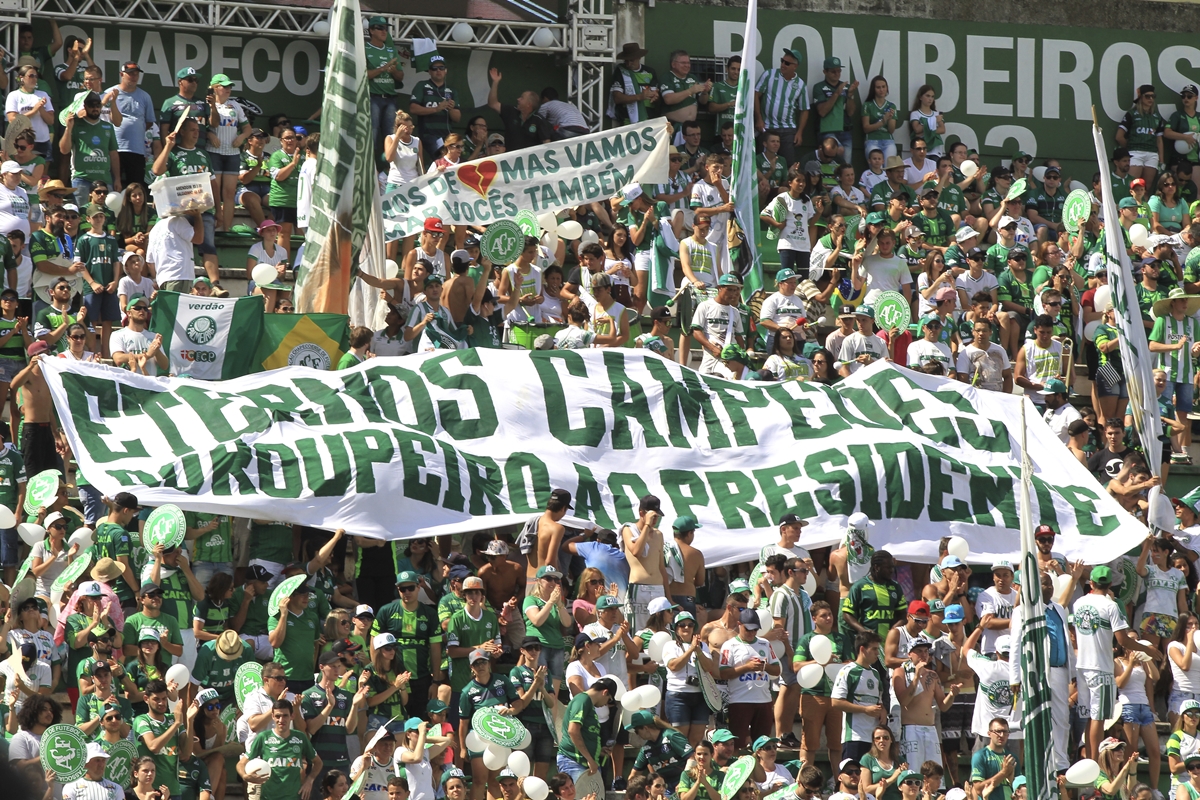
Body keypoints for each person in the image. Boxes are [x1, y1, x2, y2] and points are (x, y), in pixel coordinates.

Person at [1075, 564, 1162, 758]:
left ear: (1091, 582)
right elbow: (1122, 639)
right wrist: (1146, 649)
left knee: (1088, 716)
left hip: (1082, 665)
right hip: (1102, 667)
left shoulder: (1079, 602)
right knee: (1098, 717)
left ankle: (1089, 759)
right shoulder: (1110, 606)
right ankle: (1095, 762)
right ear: (1111, 584)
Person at [718, 608, 780, 747]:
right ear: (739, 624)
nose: (752, 633)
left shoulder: (764, 643)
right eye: (748, 629)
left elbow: (777, 670)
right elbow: (724, 673)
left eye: (755, 630)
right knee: (738, 744)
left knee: (763, 745)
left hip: (764, 700)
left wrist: (764, 666)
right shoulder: (730, 645)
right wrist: (747, 667)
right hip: (740, 700)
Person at [240, 699, 322, 800]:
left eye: (285, 715)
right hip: (268, 797)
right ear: (273, 717)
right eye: (278, 716)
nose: (281, 720)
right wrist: (244, 776)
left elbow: (318, 762)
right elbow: (241, 763)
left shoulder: (300, 738)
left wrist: (310, 780)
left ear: (292, 716)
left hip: (293, 797)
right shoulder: (263, 737)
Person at [134, 679, 197, 800]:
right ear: (146, 699)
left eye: (164, 699)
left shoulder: (173, 719)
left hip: (173, 789)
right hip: (150, 790)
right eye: (156, 699)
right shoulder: (142, 720)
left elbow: (187, 752)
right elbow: (153, 747)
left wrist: (189, 720)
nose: (162, 703)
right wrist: (177, 724)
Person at [60, 91, 120, 207]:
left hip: (104, 178)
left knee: (105, 215)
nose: (95, 108)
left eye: (98, 105)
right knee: (82, 214)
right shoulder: (75, 124)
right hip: (82, 178)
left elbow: (113, 154)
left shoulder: (108, 127)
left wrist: (117, 179)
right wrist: (68, 128)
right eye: (91, 105)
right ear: (85, 106)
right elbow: (64, 150)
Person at [556, 676, 616, 780]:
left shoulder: (588, 704)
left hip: (581, 762)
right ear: (605, 692)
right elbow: (573, 731)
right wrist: (590, 759)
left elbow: (584, 734)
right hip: (573, 761)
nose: (606, 704)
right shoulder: (583, 700)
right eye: (609, 699)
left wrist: (598, 751)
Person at [755, 48, 808, 166]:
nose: (783, 64)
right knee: (762, 163)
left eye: (787, 63)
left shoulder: (800, 84)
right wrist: (758, 118)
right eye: (782, 61)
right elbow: (756, 94)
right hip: (767, 127)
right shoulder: (769, 74)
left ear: (795, 66)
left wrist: (799, 132)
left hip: (788, 130)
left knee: (788, 164)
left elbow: (804, 110)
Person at [365, 17, 403, 167]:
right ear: (372, 31)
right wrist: (382, 69)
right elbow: (363, 75)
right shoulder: (365, 48)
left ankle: (389, 169)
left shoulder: (391, 50)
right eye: (380, 28)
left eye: (385, 28)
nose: (384, 31)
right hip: (373, 97)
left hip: (390, 98)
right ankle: (370, 168)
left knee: (391, 135)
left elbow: (401, 76)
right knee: (372, 135)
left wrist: (393, 71)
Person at [485, 69, 551, 151]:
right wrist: (495, 82)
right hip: (509, 160)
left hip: (529, 162)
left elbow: (547, 143)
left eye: (522, 98)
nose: (518, 99)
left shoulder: (539, 120)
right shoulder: (511, 111)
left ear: (528, 104)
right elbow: (492, 103)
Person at [409, 54, 460, 159]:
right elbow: (413, 108)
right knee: (442, 156)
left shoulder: (452, 90)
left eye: (441, 68)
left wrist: (450, 109)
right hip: (429, 134)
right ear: (429, 71)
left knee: (456, 157)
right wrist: (436, 109)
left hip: (447, 135)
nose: (438, 71)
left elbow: (457, 118)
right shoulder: (422, 86)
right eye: (434, 68)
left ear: (446, 70)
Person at [609, 43, 657, 126]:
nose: (628, 64)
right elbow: (617, 98)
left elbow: (655, 92)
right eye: (626, 61)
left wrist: (655, 96)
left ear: (639, 58)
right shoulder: (621, 71)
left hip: (649, 119)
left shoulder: (650, 71)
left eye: (631, 60)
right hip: (628, 120)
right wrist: (639, 97)